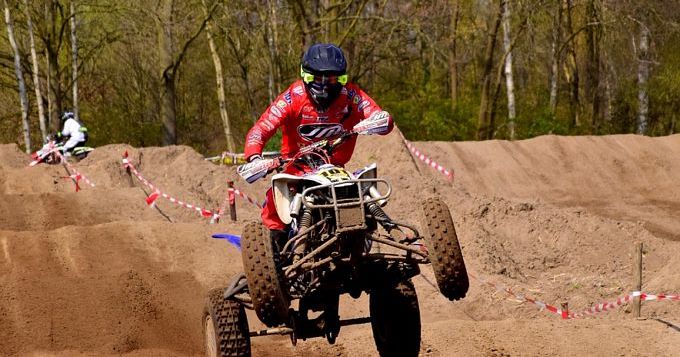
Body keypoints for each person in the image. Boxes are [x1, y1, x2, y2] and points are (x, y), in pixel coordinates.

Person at [242, 43, 394, 243]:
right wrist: (254, 157)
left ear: (341, 78)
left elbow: (379, 116)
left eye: (331, 78)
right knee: (273, 203)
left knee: (364, 193)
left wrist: (380, 120)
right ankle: (275, 251)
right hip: (295, 170)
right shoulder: (291, 98)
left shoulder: (350, 94)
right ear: (306, 76)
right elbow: (261, 128)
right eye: (318, 78)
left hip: (335, 169)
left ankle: (388, 233)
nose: (324, 85)